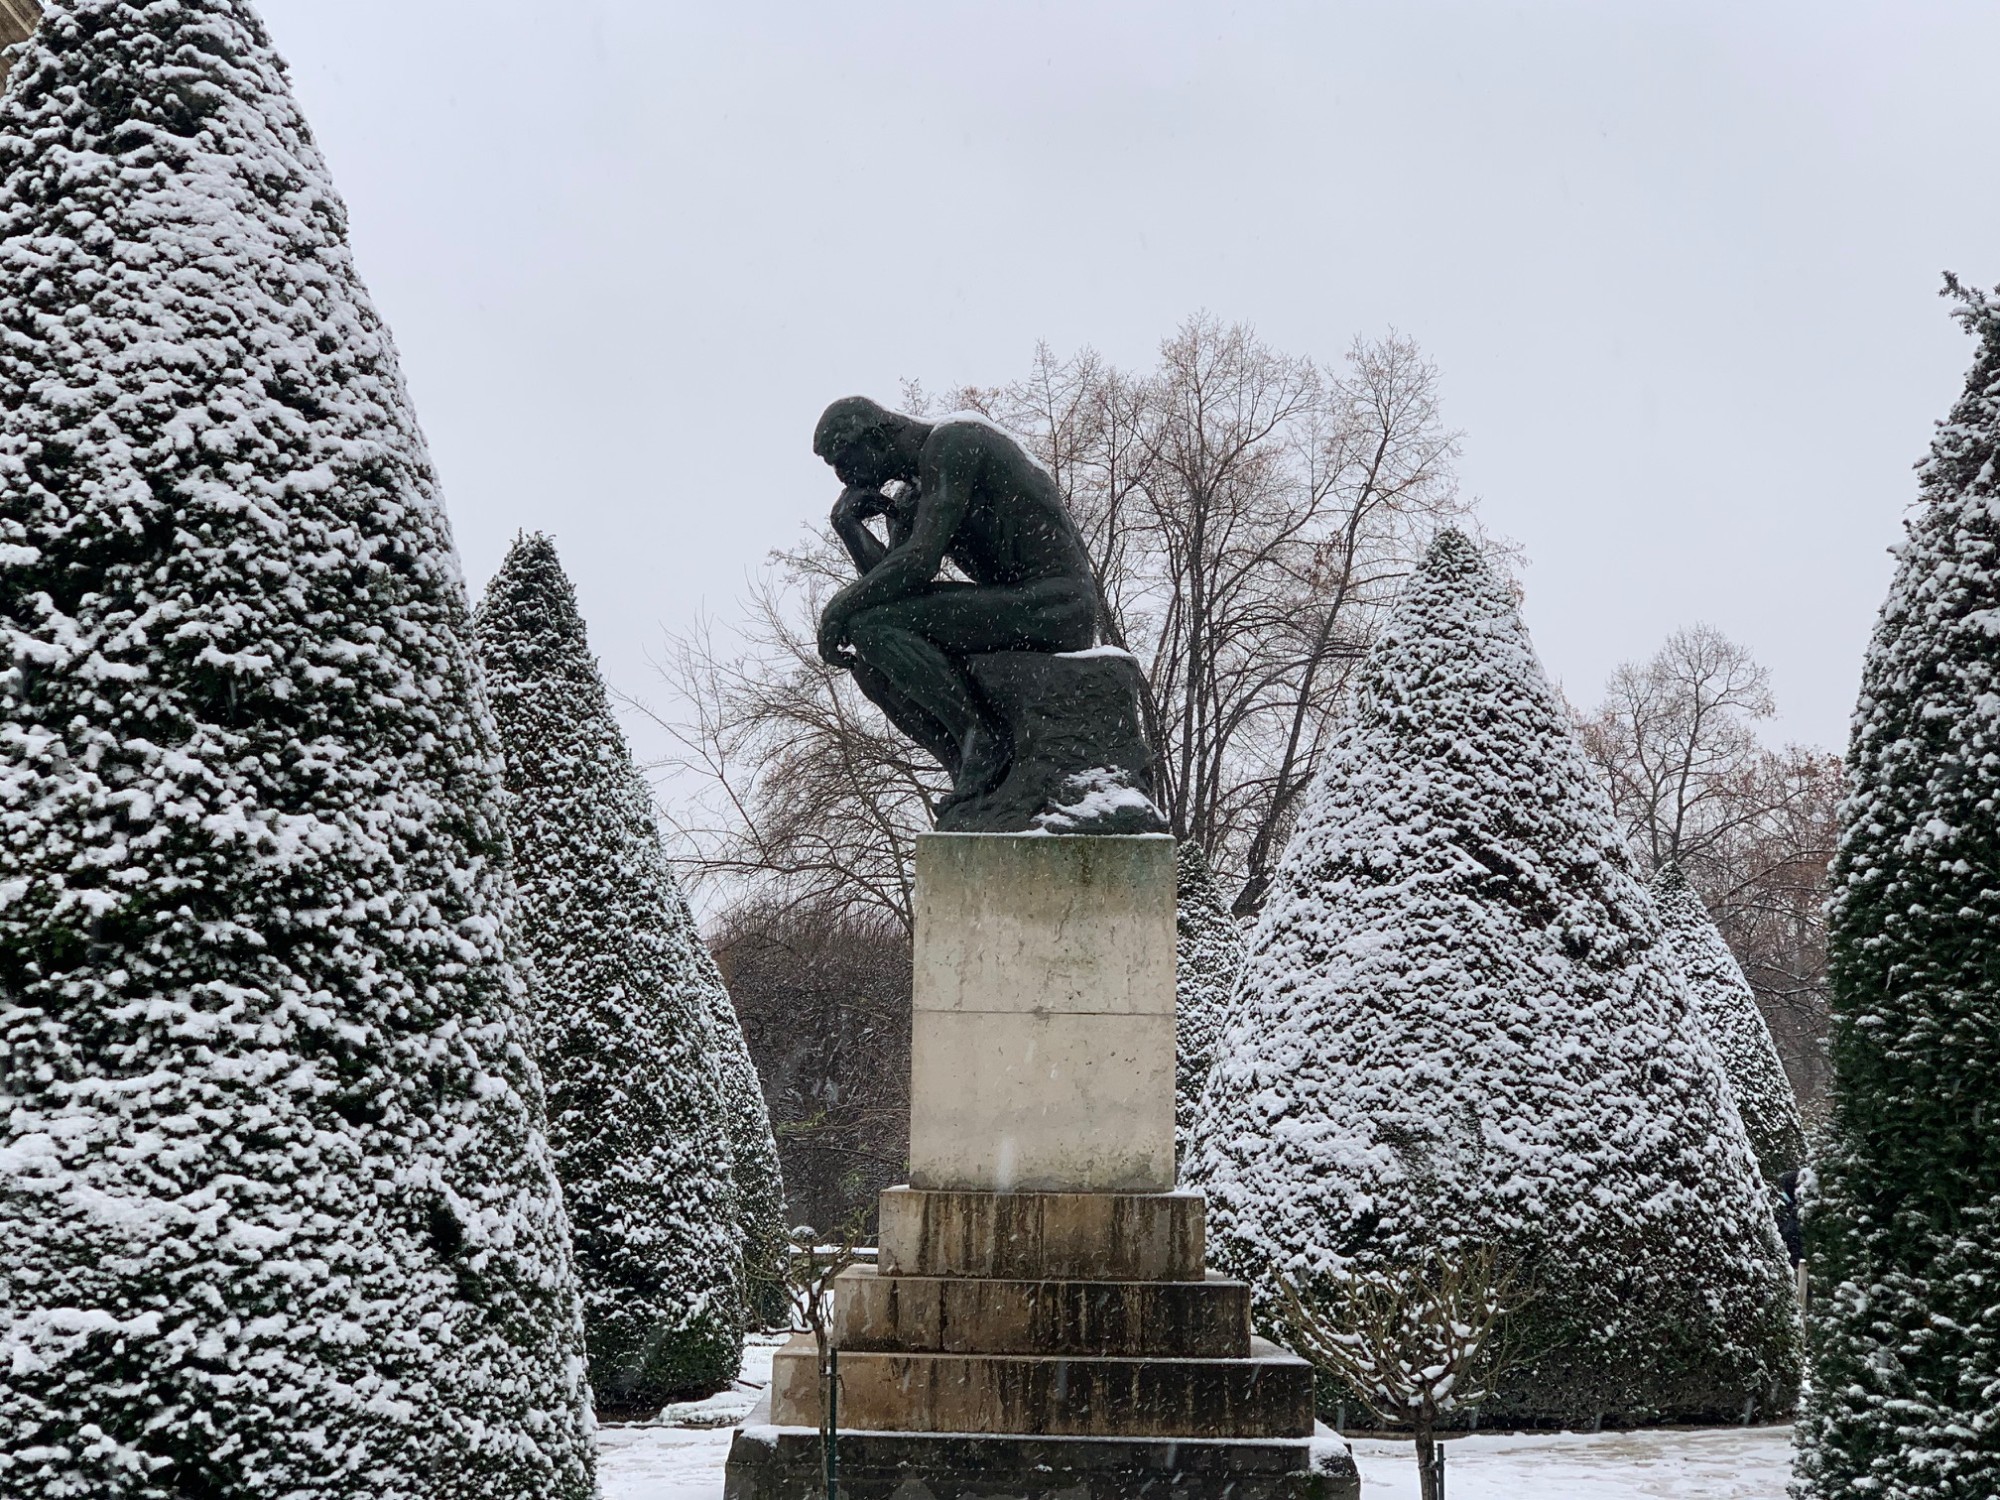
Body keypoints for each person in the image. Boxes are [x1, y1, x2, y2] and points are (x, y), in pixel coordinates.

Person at [812, 396, 1098, 810]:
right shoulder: (912, 496)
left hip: (1056, 602)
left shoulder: (955, 443)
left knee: (870, 627)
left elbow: (918, 562)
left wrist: (837, 610)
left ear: (874, 437)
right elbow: (897, 584)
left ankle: (981, 737)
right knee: (871, 661)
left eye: (844, 460)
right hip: (1015, 604)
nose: (843, 478)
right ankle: (971, 770)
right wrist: (848, 526)